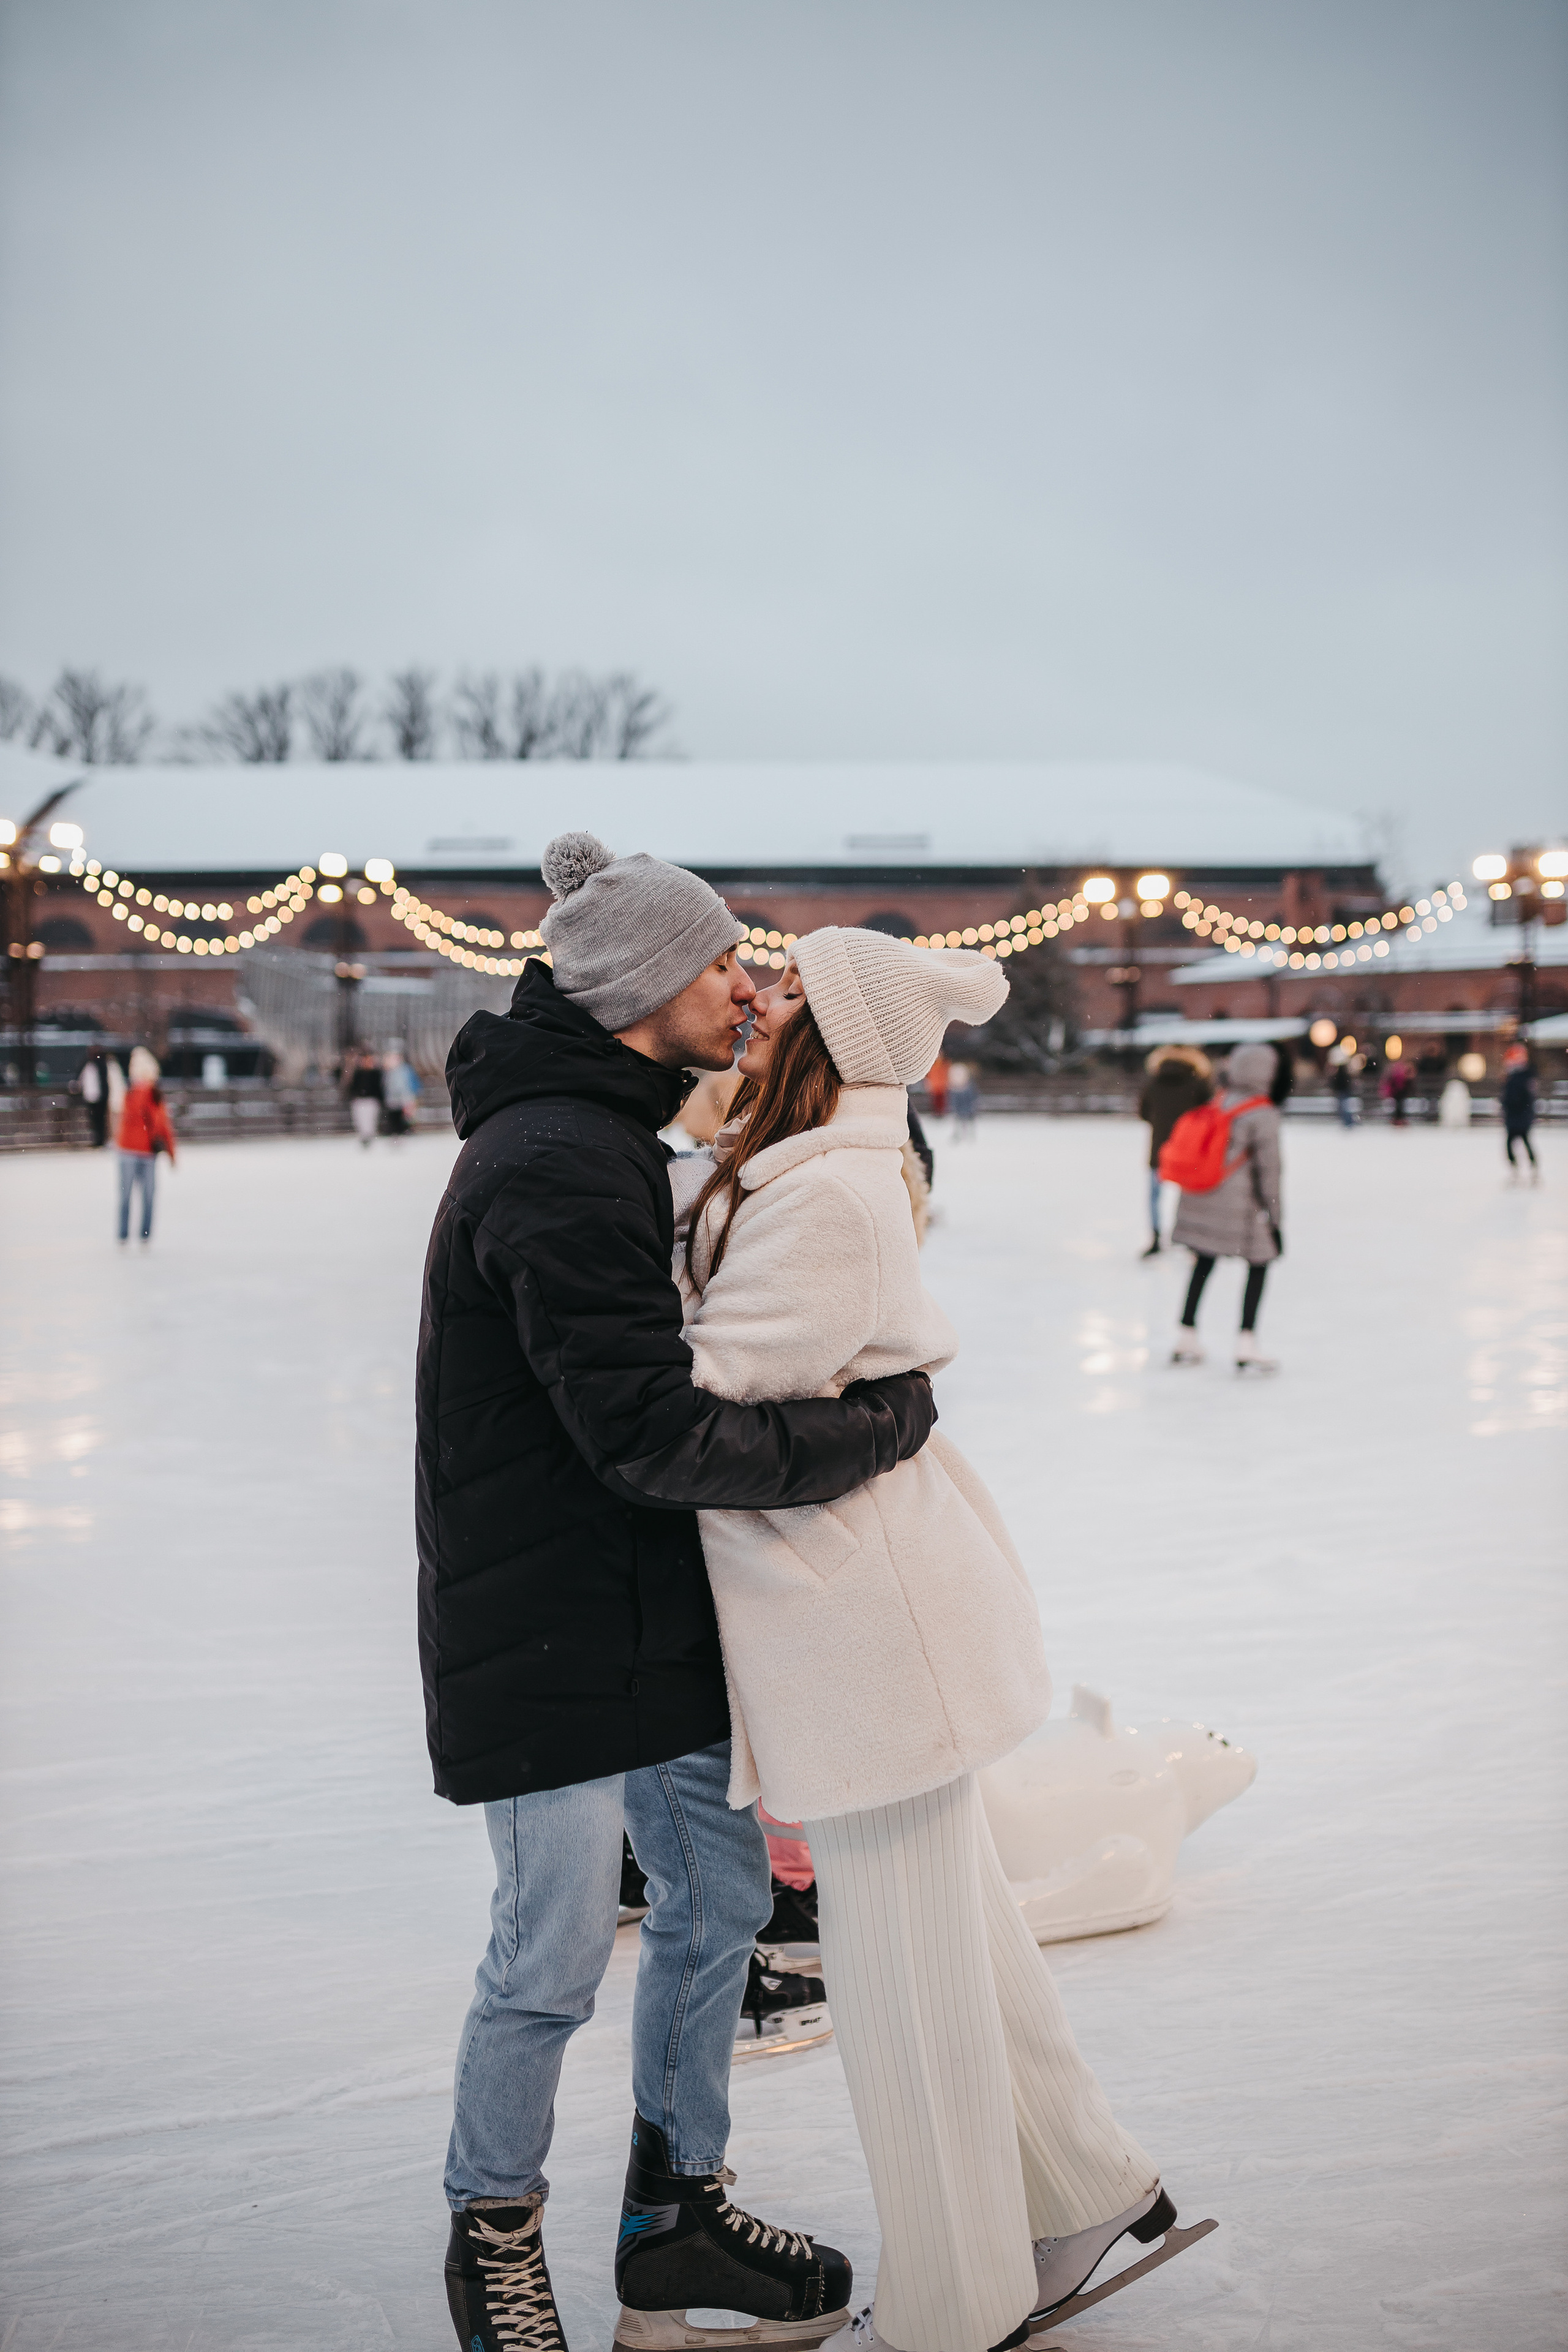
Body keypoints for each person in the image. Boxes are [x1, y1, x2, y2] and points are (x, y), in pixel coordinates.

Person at [418, 834, 939, 2352]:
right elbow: (652, 1431)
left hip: (645, 1600)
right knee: (552, 1952)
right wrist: (875, 1423)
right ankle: (491, 2235)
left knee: (717, 1906)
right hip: (543, 1626)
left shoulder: (608, 1139)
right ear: (649, 988)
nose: (749, 981)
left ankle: (674, 2216)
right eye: (726, 960)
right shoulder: (552, 1162)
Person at [674, 930, 1171, 2352]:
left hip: (862, 1630)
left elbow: (703, 1406)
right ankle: (1080, 2181)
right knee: (951, 1921)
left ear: (834, 1032)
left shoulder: (823, 1193)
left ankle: (958, 2297)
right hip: (864, 1612)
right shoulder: (808, 1167)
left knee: (898, 1980)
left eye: (782, 991)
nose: (753, 1002)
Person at [1169, 1040, 1282, 1373]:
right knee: (1260, 1262)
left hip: (1199, 1200)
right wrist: (1276, 1220)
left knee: (1203, 1263)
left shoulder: (1217, 1102)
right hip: (1240, 1210)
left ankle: (1186, 1335)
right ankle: (1246, 1342)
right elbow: (1270, 1173)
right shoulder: (1263, 1114)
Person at [1137, 1045, 1212, 1256]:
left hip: (1160, 1148)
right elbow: (1209, 1114)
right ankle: (1191, 1239)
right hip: (1190, 1149)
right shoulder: (1198, 1083)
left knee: (1154, 1196)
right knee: (1190, 1195)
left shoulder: (1153, 1083)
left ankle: (1156, 1237)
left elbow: (1143, 1113)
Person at [115, 1046, 176, 1244]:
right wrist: (172, 1153)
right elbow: (163, 1125)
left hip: (135, 1151)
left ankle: (128, 1234)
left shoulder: (136, 1093)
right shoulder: (140, 1094)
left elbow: (161, 1124)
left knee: (129, 1196)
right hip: (137, 1151)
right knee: (146, 1197)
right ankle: (142, 1235)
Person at [1501, 1045, 1539, 1180]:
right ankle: (1516, 1167)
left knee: (1523, 1141)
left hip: (1521, 1116)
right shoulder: (1512, 1076)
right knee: (1511, 1143)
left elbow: (1523, 1097)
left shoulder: (1524, 1076)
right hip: (1514, 1116)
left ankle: (1532, 1166)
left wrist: (1511, 1104)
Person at [344, 1046, 384, 1145]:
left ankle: (369, 1138)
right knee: (360, 1120)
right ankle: (364, 1137)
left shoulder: (376, 1073)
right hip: (359, 1100)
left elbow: (379, 1088)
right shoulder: (357, 1073)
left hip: (371, 1100)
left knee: (370, 1120)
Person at [78, 1047, 111, 1148]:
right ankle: (98, 1139)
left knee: (99, 1120)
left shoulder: (99, 1064)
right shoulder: (92, 1064)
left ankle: (100, 1140)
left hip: (99, 1096)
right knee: (96, 1120)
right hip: (93, 1096)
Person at [948, 1058, 978, 1137]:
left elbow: (972, 1097)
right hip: (961, 1105)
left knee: (967, 1119)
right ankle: (959, 1134)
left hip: (966, 1106)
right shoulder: (956, 1088)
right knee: (959, 1119)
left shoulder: (969, 1087)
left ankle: (969, 1134)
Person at [1380, 1057, 1416, 1125]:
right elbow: (1399, 1081)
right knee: (1399, 1106)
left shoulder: (1398, 1069)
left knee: (1400, 1106)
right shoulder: (1400, 1069)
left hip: (1399, 1090)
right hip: (1398, 1091)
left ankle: (1398, 1119)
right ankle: (1398, 1119)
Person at [1330, 1055, 1357, 1128]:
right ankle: (1348, 1121)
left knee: (1344, 1108)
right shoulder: (1345, 1073)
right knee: (1345, 1108)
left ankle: (1348, 1121)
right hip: (1344, 1091)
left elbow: (1336, 1082)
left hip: (1342, 1092)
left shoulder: (1339, 1073)